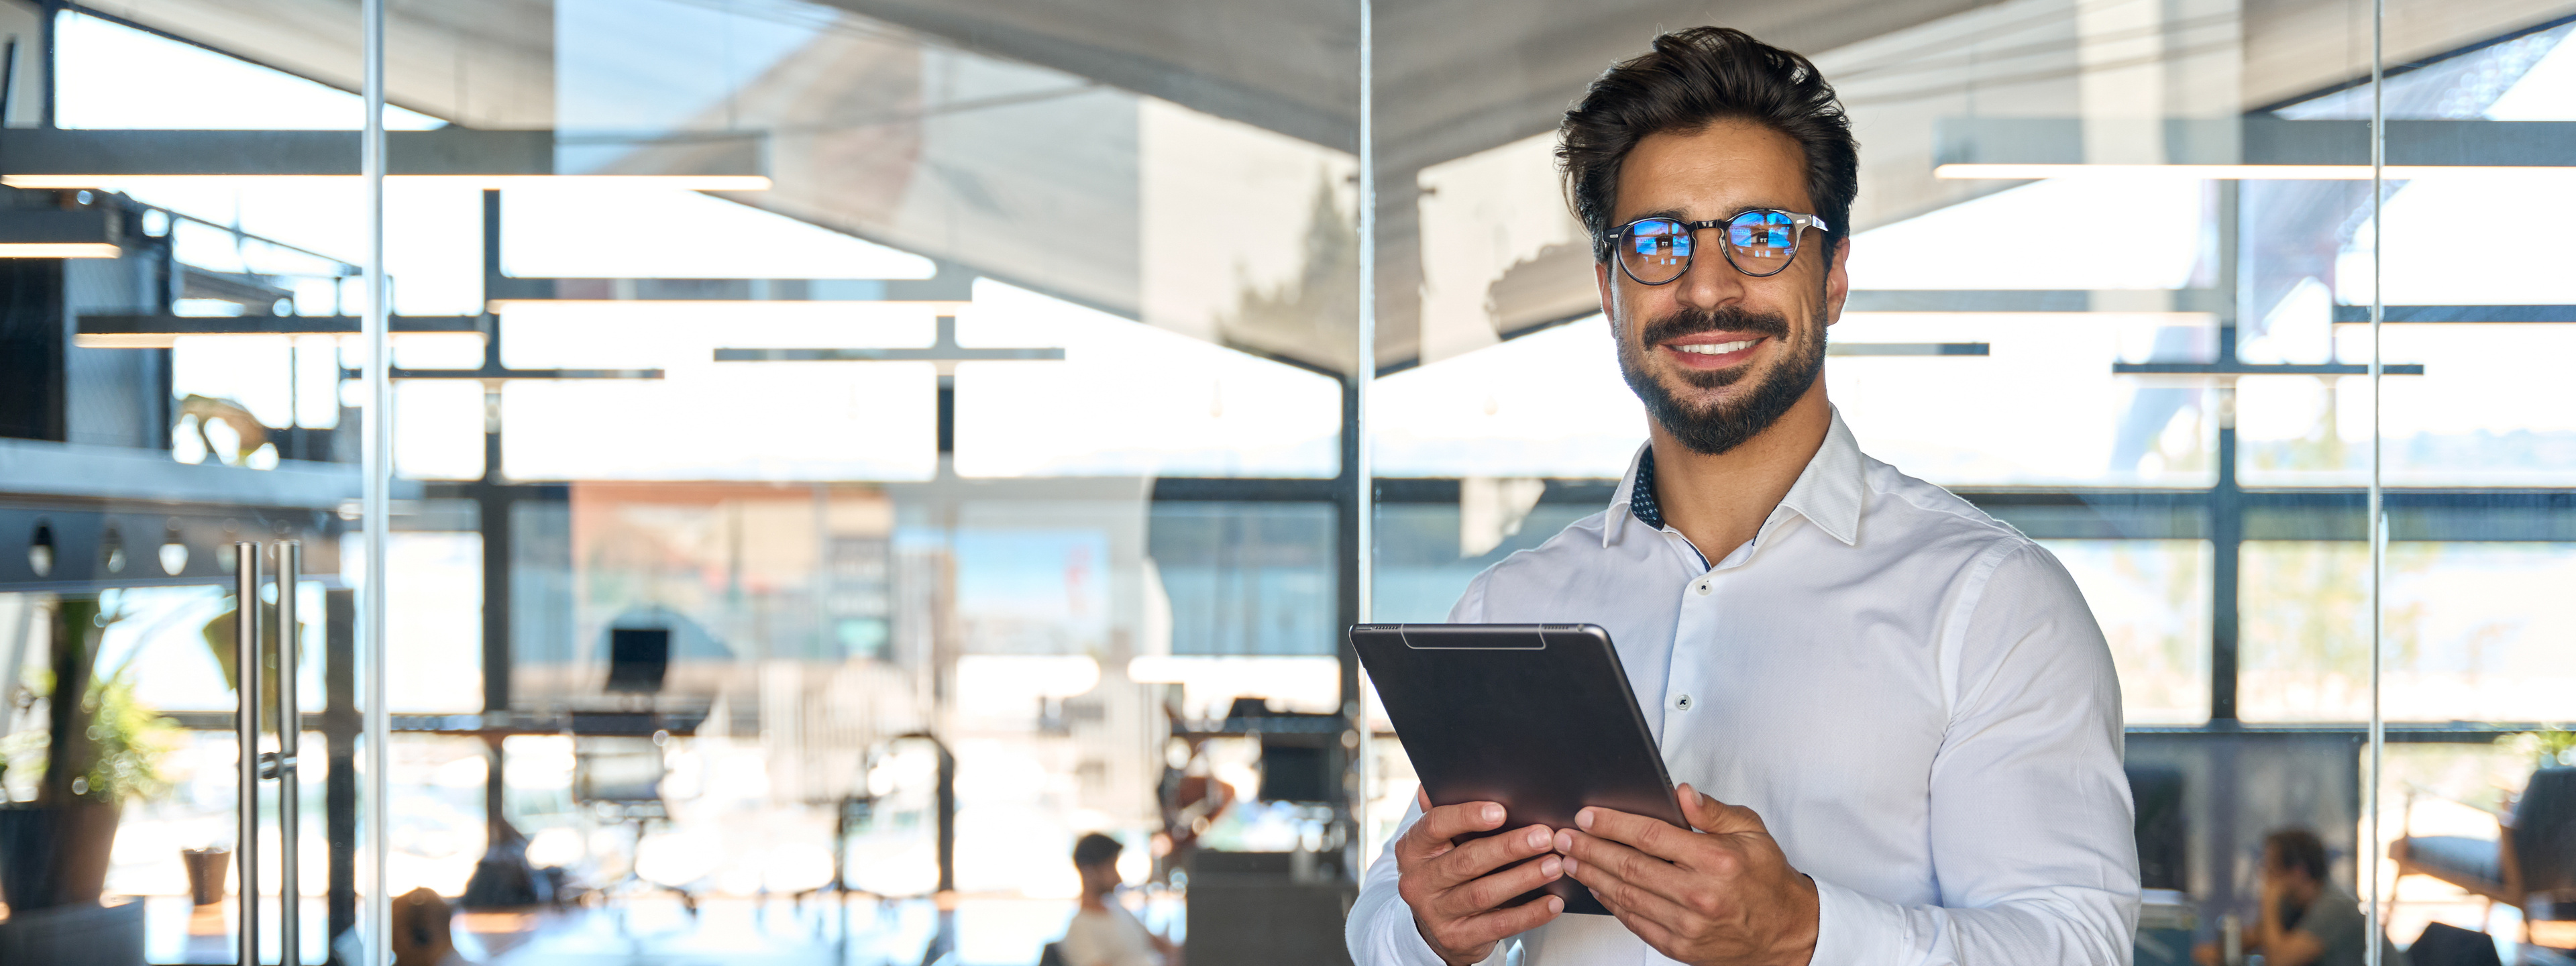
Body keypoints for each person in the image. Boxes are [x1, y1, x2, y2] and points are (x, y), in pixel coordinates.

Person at [1342, 25, 2139, 966]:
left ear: (1834, 274)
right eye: (1655, 240)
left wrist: (1804, 930)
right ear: (1609, 290)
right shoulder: (1513, 608)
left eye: (1762, 235)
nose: (1706, 286)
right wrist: (1424, 928)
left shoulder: (1992, 604)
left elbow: (2077, 944)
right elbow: (1385, 923)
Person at [2194, 830, 2406, 966]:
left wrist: (2268, 900)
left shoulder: (2334, 908)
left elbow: (2280, 961)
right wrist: (2214, 952)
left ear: (2298, 873)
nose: (2264, 876)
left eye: (2270, 868)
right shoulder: (2294, 906)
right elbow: (2257, 937)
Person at [1058, 833, 1182, 966]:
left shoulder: (1116, 908)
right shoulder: (1080, 928)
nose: (1118, 878)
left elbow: (1161, 945)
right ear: (1088, 871)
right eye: (1111, 866)